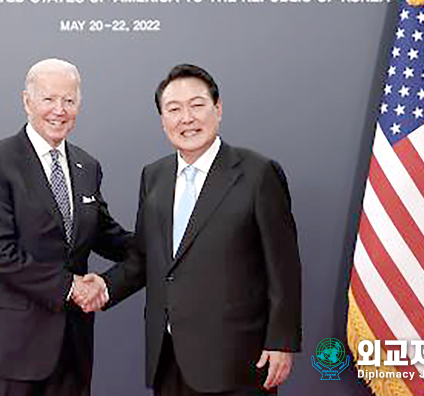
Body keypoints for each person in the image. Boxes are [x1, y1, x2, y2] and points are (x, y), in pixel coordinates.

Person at [77, 64, 302, 395]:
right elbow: (145, 257)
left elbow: (283, 266)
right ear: (163, 120)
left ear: (218, 109)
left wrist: (281, 341)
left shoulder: (257, 173)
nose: (187, 118)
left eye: (197, 105)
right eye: (174, 109)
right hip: (168, 357)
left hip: (238, 359)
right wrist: (105, 285)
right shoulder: (154, 176)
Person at [0, 58, 131, 396]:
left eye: (69, 100)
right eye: (48, 99)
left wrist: (165, 244)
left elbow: (104, 234)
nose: (59, 110)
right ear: (27, 101)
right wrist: (72, 288)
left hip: (72, 348)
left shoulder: (87, 165)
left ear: (79, 106)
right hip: (10, 348)